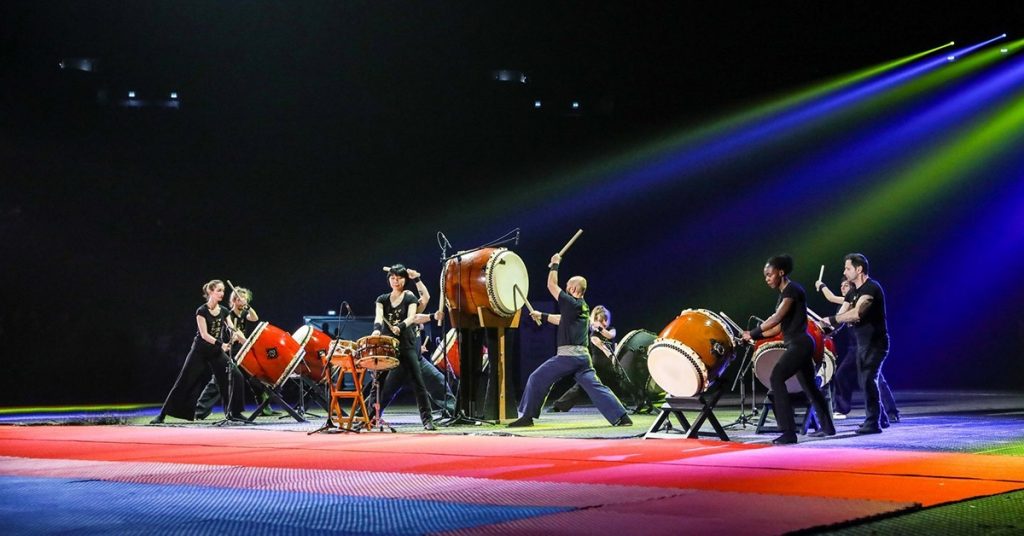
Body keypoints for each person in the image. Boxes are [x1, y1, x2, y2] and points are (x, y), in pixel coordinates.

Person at [509, 253, 631, 428]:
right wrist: (542, 316)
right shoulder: (582, 307)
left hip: (568, 357)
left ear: (574, 289)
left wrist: (555, 264)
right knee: (596, 387)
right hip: (583, 358)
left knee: (536, 378)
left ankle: (527, 417)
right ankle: (622, 417)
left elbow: (551, 285)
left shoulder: (571, 302)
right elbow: (562, 320)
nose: (565, 288)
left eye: (568, 286)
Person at [742, 255, 835, 444]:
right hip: (799, 344)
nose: (767, 279)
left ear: (781, 272)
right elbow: (778, 328)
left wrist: (752, 332)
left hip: (800, 344)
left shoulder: (792, 290)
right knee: (810, 386)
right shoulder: (784, 294)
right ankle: (828, 427)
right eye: (765, 276)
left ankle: (788, 432)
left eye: (769, 274)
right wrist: (754, 336)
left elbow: (776, 318)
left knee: (776, 378)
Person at [151, 280, 244, 424]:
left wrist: (234, 335)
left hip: (215, 351)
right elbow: (205, 335)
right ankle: (162, 415)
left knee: (235, 375)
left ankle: (234, 413)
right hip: (200, 350)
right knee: (184, 380)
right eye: (219, 290)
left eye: (223, 291)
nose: (222, 293)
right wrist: (222, 344)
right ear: (210, 292)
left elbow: (231, 327)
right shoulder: (201, 311)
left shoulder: (224, 311)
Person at [819, 253, 891, 435]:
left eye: (848, 268)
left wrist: (832, 318)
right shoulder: (853, 292)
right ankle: (881, 418)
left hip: (876, 343)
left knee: (868, 379)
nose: (845, 271)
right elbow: (841, 316)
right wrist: (824, 329)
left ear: (859, 269)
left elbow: (856, 313)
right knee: (866, 380)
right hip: (862, 343)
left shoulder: (871, 288)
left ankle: (873, 423)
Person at [367, 265, 436, 430]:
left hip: (406, 344)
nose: (395, 281)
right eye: (392, 278)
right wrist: (377, 329)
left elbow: (412, 316)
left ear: (404, 280)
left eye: (398, 278)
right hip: (387, 344)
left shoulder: (409, 298)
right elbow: (378, 316)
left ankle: (427, 419)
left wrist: (401, 325)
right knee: (378, 382)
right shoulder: (382, 299)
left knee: (418, 381)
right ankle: (368, 417)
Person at [195, 286, 275, 419]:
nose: (241, 300)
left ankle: (264, 407)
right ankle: (200, 410)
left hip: (242, 350)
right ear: (234, 300)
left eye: (243, 298)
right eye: (238, 298)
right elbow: (236, 334)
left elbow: (255, 318)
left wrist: (247, 306)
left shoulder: (244, 313)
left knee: (254, 377)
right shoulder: (229, 314)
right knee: (219, 380)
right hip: (230, 350)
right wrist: (250, 344)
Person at [550, 305, 628, 412]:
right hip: (598, 365)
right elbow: (602, 347)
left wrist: (600, 327)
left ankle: (629, 403)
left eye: (606, 319)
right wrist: (611, 355)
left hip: (611, 364)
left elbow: (610, 335)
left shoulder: (611, 330)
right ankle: (559, 405)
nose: (604, 323)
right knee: (581, 386)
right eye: (601, 320)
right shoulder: (593, 334)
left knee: (620, 383)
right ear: (595, 320)